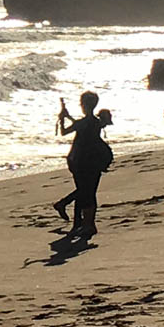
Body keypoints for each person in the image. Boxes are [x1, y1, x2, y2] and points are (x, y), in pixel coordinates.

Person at [54, 93, 113, 238]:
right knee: (88, 192)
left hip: (79, 161)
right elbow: (84, 125)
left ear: (85, 105)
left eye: (81, 103)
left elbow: (64, 131)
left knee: (83, 191)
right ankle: (84, 224)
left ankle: (78, 220)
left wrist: (62, 119)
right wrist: (67, 117)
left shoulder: (83, 123)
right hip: (94, 161)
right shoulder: (95, 122)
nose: (81, 105)